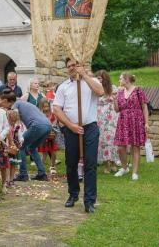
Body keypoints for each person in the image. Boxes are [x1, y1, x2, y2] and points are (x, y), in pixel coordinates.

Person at [53, 58, 104, 213]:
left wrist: (85, 76)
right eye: (69, 66)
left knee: (90, 164)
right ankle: (73, 194)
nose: (71, 68)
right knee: (71, 163)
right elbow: (56, 109)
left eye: (74, 65)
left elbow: (100, 92)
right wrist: (71, 126)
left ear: (80, 66)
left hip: (90, 128)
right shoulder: (63, 87)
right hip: (71, 129)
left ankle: (89, 201)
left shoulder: (92, 81)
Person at [0, 90, 51, 181]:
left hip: (37, 125)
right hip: (47, 125)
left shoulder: (15, 105)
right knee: (31, 147)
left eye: (3, 102)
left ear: (8, 101)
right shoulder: (23, 103)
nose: (2, 105)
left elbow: (13, 120)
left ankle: (23, 174)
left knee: (21, 146)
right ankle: (42, 173)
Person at [112, 73, 149, 180]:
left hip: (136, 121)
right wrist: (114, 99)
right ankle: (124, 168)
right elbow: (117, 109)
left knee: (135, 147)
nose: (119, 80)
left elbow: (144, 107)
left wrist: (146, 123)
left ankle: (134, 172)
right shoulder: (119, 92)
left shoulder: (138, 90)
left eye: (120, 78)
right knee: (120, 147)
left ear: (127, 79)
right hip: (123, 121)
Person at [95, 70, 119, 174]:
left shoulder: (113, 88)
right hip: (100, 118)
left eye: (100, 78)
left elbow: (117, 102)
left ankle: (113, 163)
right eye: (97, 78)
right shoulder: (95, 90)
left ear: (105, 79)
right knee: (103, 141)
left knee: (113, 140)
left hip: (112, 118)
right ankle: (105, 165)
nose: (98, 80)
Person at [37, 98, 59, 176]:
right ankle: (41, 168)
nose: (46, 108)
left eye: (47, 106)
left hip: (52, 134)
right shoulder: (40, 114)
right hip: (44, 136)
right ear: (41, 107)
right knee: (44, 153)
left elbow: (55, 121)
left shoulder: (52, 113)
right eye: (44, 107)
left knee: (53, 152)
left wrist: (53, 125)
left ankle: (52, 167)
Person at [5, 109, 24, 187]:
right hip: (7, 147)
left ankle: (12, 180)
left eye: (14, 121)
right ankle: (6, 180)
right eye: (11, 121)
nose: (13, 123)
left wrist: (21, 141)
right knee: (7, 164)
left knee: (13, 164)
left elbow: (20, 136)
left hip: (14, 147)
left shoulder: (18, 126)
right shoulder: (6, 127)